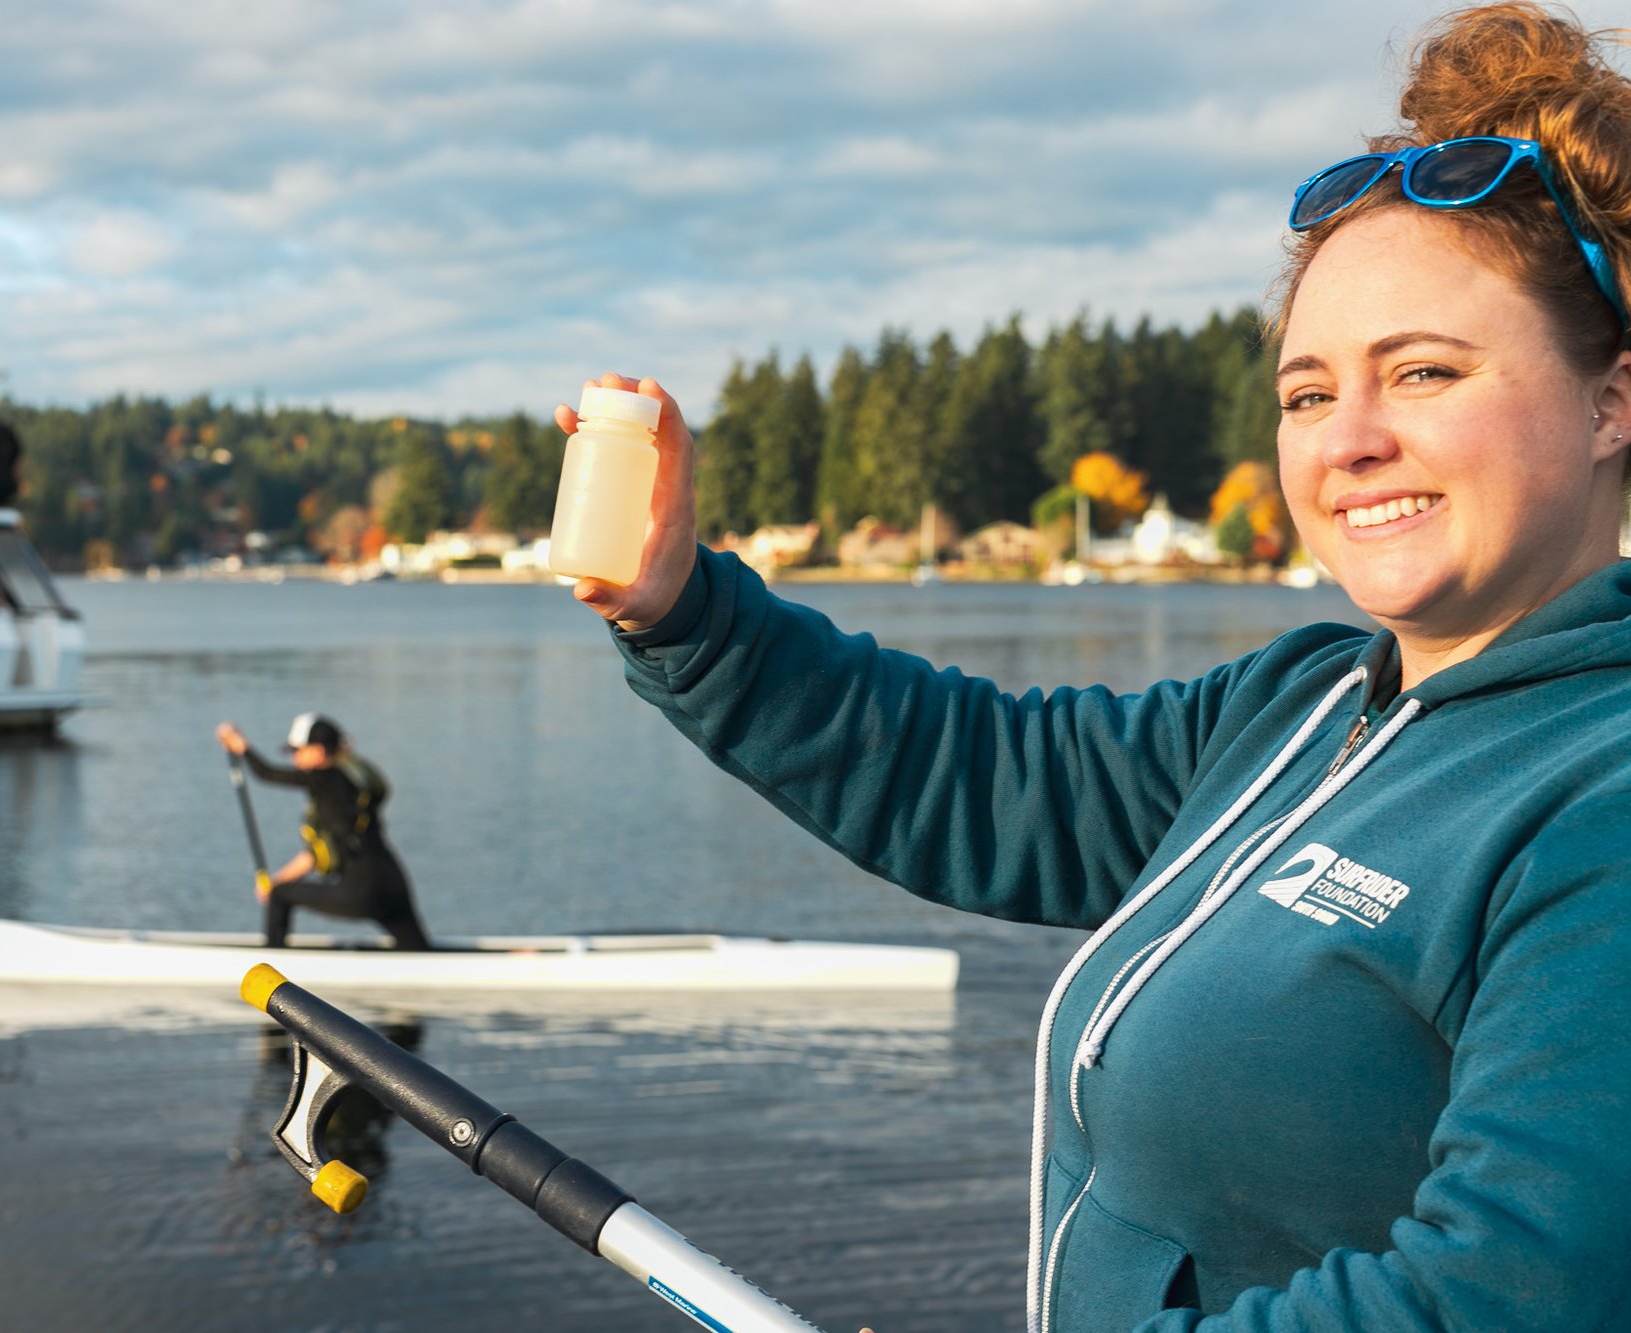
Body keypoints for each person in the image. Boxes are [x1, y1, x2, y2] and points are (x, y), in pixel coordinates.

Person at [555, 5, 1631, 1329]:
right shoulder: (1297, 711)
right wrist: (684, 613)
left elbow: (1500, 1295)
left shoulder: (1604, 795)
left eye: (1422, 373)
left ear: (1611, 401)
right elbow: (989, 778)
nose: (1348, 440)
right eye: (1307, 393)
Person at [216, 712, 433, 951]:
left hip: (364, 892)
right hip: (394, 883)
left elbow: (267, 774)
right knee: (418, 952)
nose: (295, 760)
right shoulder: (353, 779)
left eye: (297, 752)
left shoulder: (324, 780)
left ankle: (272, 969)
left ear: (318, 751)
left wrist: (241, 747)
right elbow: (321, 852)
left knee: (280, 895)